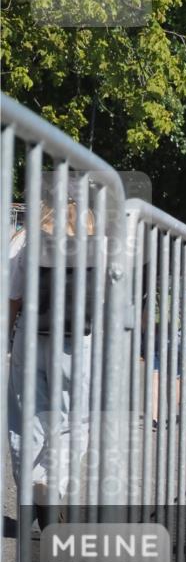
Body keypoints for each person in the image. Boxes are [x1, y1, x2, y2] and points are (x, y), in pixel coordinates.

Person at [8, 202, 95, 526]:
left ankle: (32, 488)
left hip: (29, 336)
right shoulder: (94, 245)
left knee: (26, 419)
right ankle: (50, 481)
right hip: (75, 342)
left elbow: (12, 296)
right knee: (74, 422)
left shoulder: (28, 241)